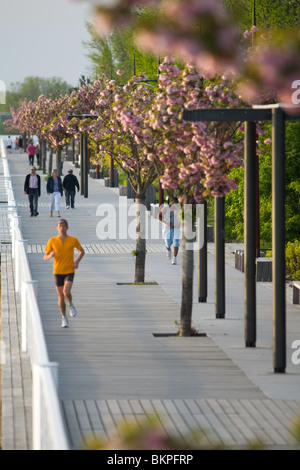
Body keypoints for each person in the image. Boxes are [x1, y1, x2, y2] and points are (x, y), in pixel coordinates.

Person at [43, 219, 85, 328]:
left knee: (66, 292)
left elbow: (82, 251)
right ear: (57, 228)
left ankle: (70, 305)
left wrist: (76, 262)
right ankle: (63, 318)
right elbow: (45, 257)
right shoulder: (52, 241)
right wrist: (50, 256)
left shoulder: (73, 240)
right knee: (60, 296)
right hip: (57, 271)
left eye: (64, 226)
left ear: (67, 227)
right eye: (60, 226)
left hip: (69, 270)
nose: (62, 228)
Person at [158, 197, 181, 265]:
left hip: (176, 229)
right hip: (167, 229)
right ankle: (168, 250)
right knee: (168, 243)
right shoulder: (166, 208)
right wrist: (166, 222)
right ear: (171, 202)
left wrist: (179, 224)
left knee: (176, 242)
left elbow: (182, 217)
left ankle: (174, 258)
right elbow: (159, 216)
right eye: (174, 203)